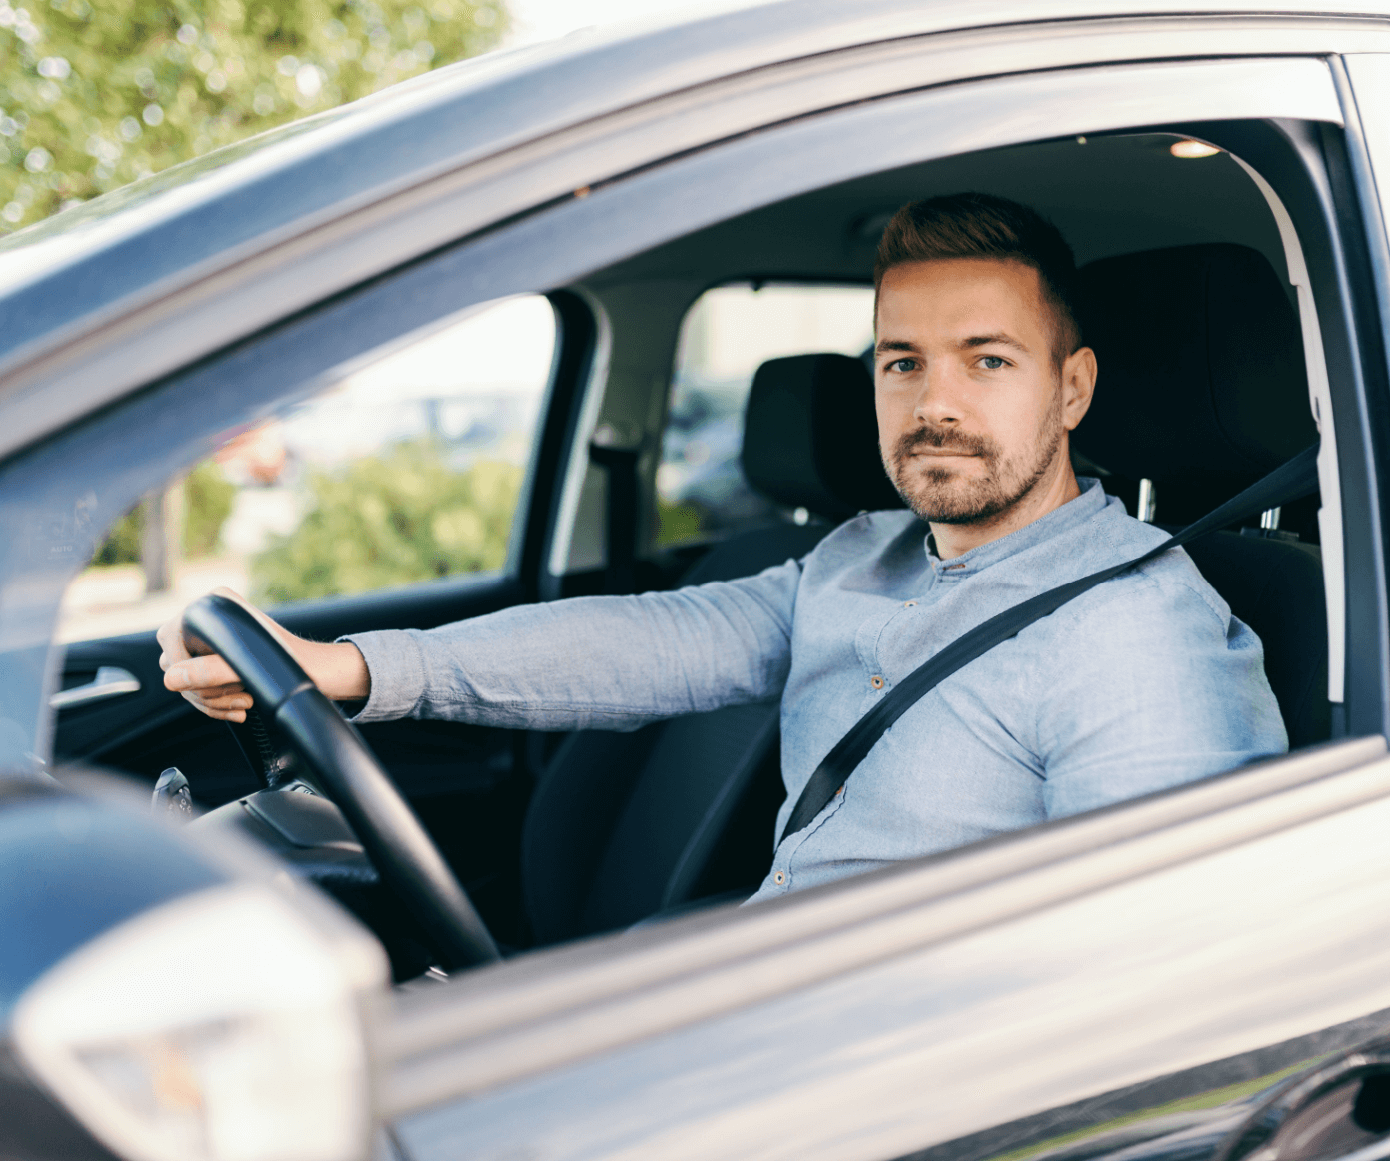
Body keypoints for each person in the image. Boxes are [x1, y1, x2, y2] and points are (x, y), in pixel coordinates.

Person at [159, 192, 1287, 905]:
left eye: (987, 360)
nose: (934, 402)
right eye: (902, 362)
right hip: (755, 1012)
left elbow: (1155, 978)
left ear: (1072, 386)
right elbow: (655, 642)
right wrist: (349, 669)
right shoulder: (859, 557)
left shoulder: (1137, 633)